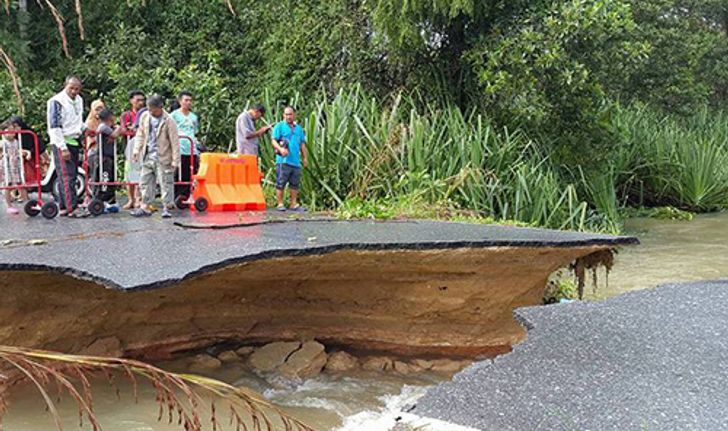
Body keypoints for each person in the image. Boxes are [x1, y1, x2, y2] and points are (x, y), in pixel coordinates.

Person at [131, 95, 180, 218]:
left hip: (163, 156)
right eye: (149, 108)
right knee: (145, 181)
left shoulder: (169, 120)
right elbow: (140, 134)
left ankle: (167, 206)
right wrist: (137, 150)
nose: (151, 111)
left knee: (165, 182)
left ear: (160, 107)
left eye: (153, 109)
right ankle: (145, 206)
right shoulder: (145, 117)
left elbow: (174, 142)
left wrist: (175, 161)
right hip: (148, 155)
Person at [47, 75, 86, 217]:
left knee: (72, 175)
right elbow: (54, 126)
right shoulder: (56, 101)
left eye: (77, 89)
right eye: (71, 88)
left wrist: (85, 131)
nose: (74, 91)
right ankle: (72, 208)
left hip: (74, 140)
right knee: (67, 176)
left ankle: (64, 206)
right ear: (65, 86)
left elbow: (77, 121)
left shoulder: (79, 100)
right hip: (61, 142)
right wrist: (62, 148)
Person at [271, 106, 308, 212]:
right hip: (283, 160)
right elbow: (273, 140)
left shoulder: (299, 129)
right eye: (286, 114)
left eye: (290, 114)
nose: (288, 116)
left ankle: (293, 203)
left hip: (295, 161)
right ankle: (280, 203)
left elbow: (302, 144)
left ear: (294, 115)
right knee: (281, 182)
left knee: (295, 183)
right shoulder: (279, 126)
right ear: (283, 115)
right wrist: (280, 149)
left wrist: (305, 158)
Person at [88, 109, 123, 210]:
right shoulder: (103, 126)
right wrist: (118, 128)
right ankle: (101, 201)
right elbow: (115, 134)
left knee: (110, 178)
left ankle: (110, 201)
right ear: (109, 117)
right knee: (104, 178)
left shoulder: (108, 127)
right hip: (102, 157)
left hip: (108, 156)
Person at [5, 116, 47, 198]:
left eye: (17, 126)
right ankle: (15, 193)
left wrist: (30, 152)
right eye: (14, 126)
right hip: (17, 158)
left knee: (25, 174)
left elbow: (38, 146)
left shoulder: (29, 133)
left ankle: (23, 194)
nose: (16, 128)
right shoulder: (13, 136)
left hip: (31, 157)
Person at [170, 91, 200, 198]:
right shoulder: (174, 115)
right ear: (180, 101)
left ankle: (188, 195)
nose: (188, 103)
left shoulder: (194, 117)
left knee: (190, 172)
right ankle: (177, 196)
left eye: (190, 100)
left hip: (191, 148)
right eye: (186, 100)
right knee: (179, 173)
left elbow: (196, 131)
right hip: (179, 148)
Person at [120, 90, 145, 210]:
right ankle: (131, 199)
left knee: (141, 174)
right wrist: (134, 130)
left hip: (143, 148)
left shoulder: (146, 114)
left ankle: (138, 198)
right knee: (130, 174)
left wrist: (135, 130)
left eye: (142, 100)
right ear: (131, 101)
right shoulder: (126, 115)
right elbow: (123, 130)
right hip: (130, 148)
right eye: (138, 100)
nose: (140, 102)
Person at [0, 125, 28, 214]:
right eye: (9, 131)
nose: (12, 133)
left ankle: (26, 201)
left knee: (21, 182)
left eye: (13, 131)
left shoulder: (16, 141)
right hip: (6, 165)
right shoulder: (2, 143)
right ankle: (9, 205)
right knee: (8, 184)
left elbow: (18, 150)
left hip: (16, 165)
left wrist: (26, 152)